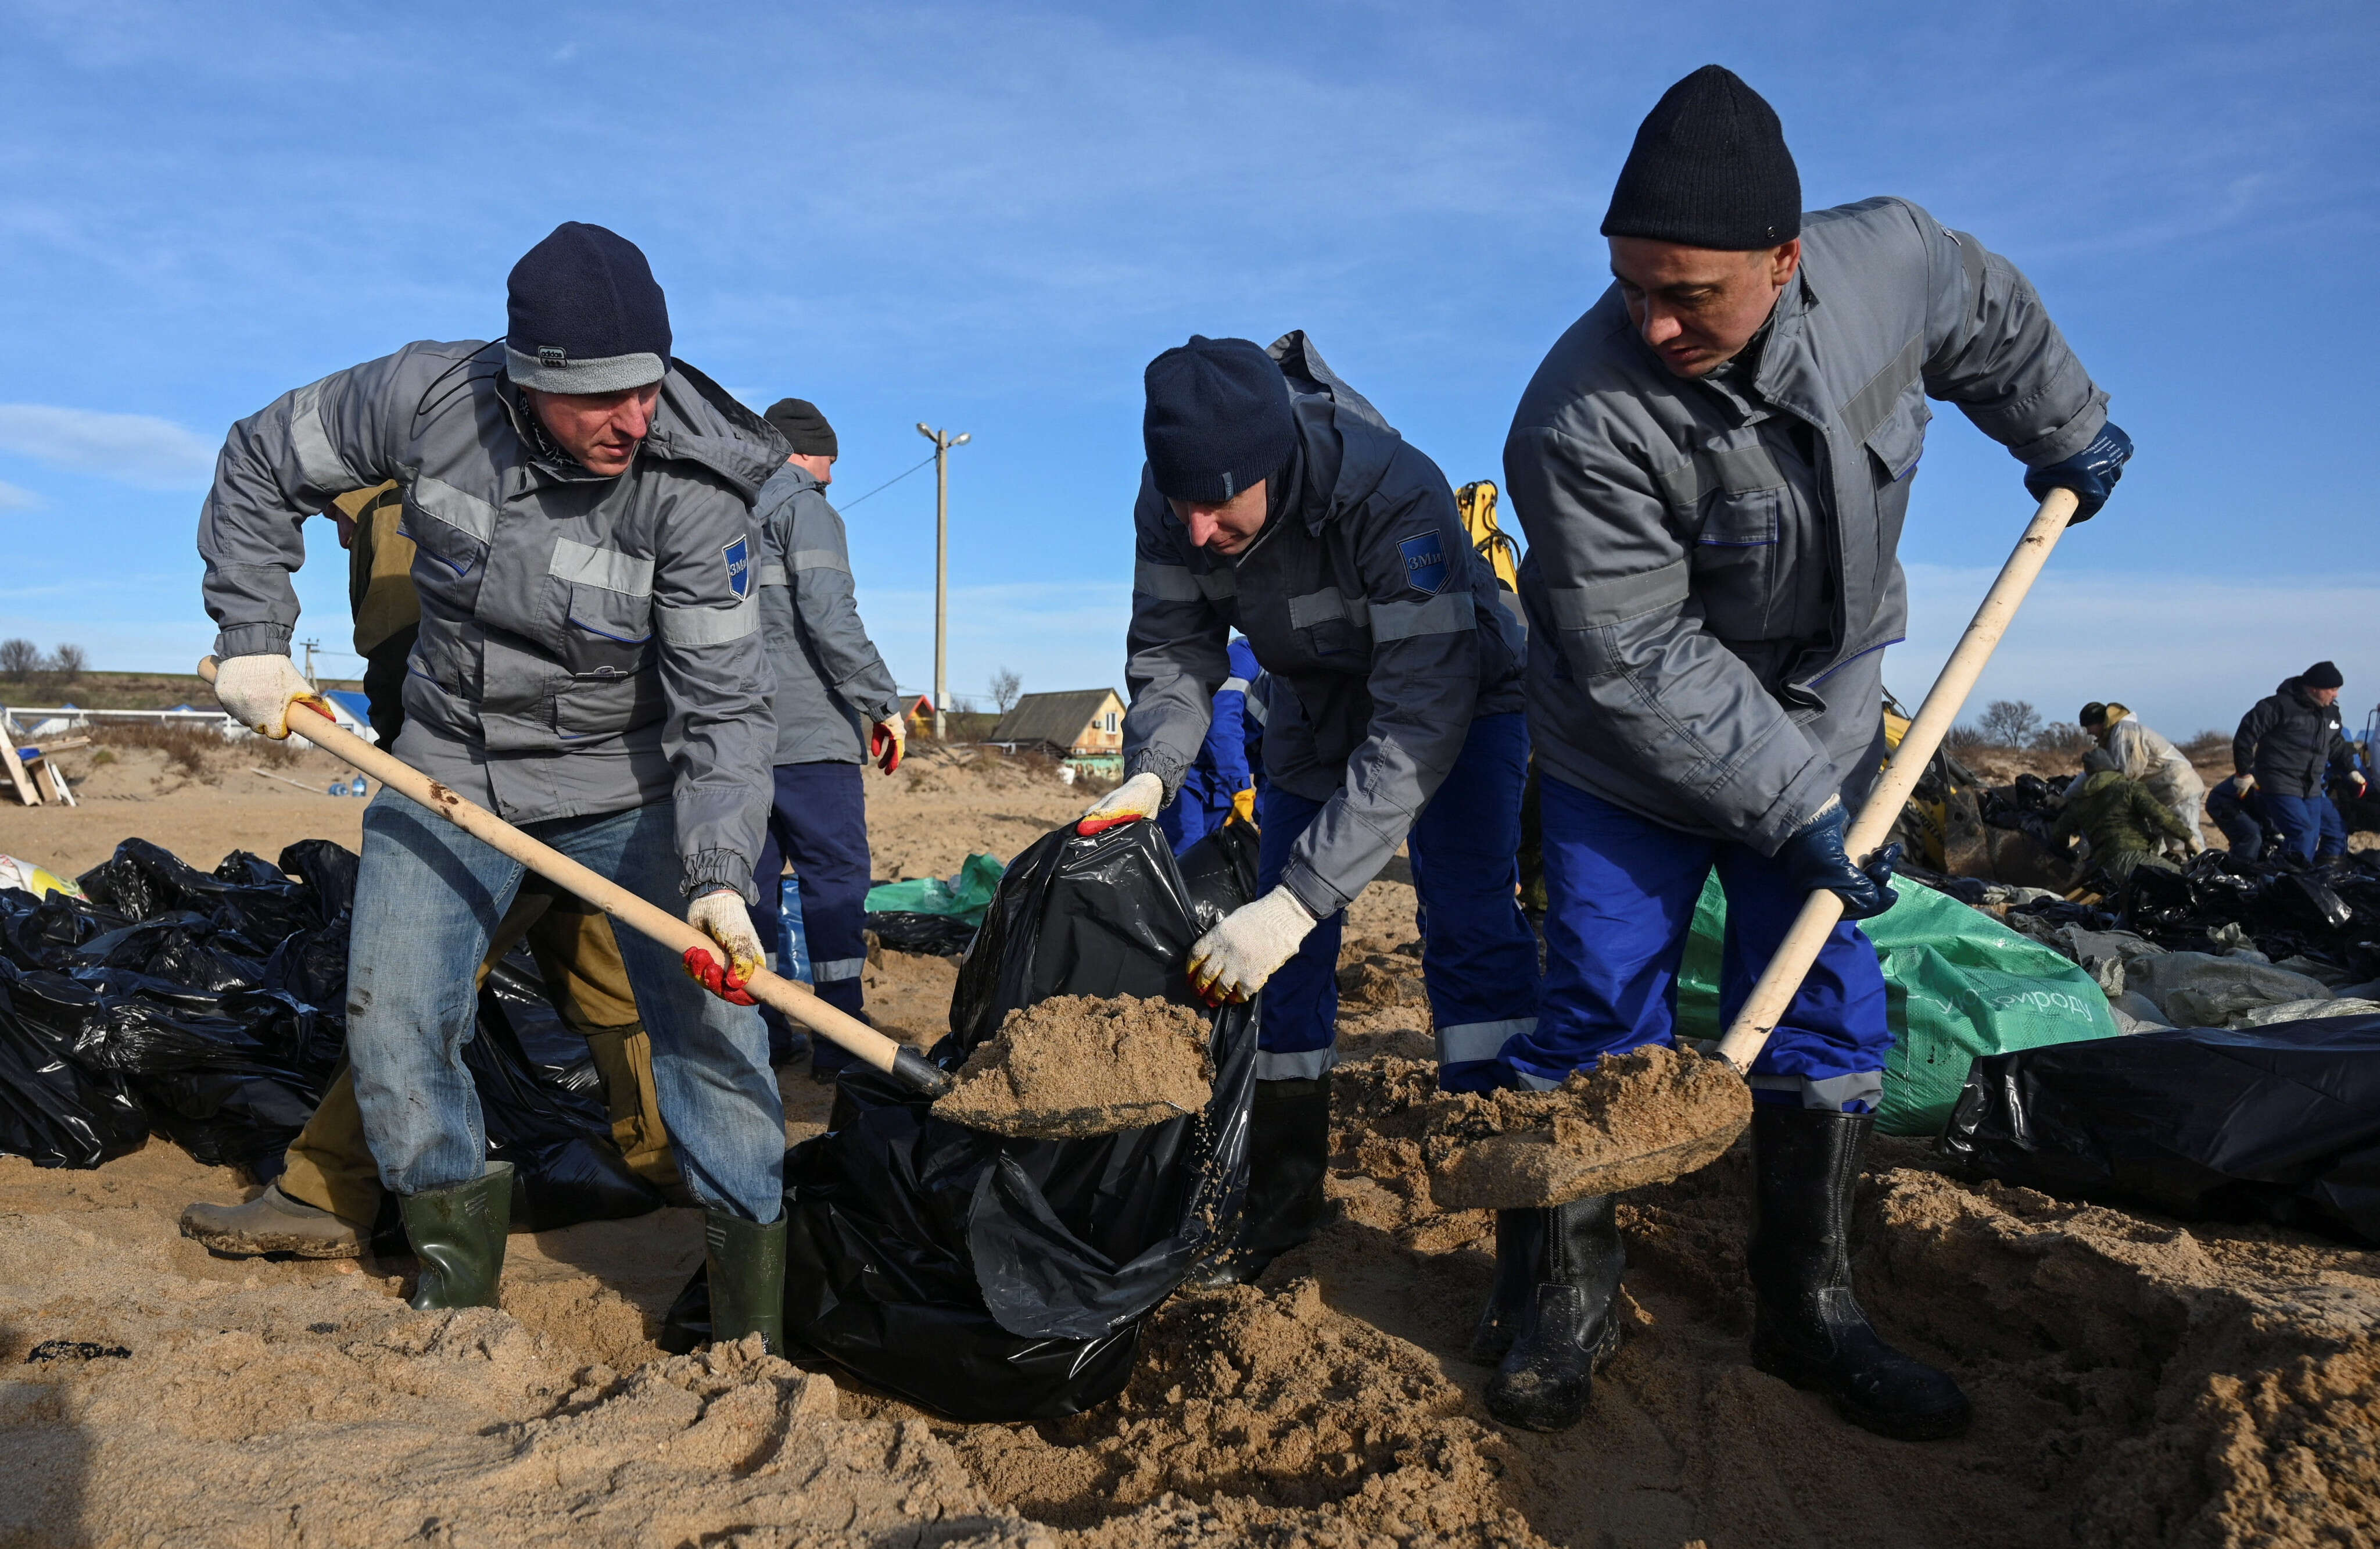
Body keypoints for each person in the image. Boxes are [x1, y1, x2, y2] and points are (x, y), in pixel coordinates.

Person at [1500, 66, 2131, 1438]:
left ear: (1786, 262)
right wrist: (1794, 803)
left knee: (1829, 1004)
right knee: (1601, 995)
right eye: (1630, 290)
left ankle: (1812, 1306)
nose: (1654, 322)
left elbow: (1989, 315)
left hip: (1826, 712)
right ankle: (1562, 1294)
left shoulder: (1889, 263)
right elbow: (1639, 657)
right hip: (1627, 744)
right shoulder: (1578, 418)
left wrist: (2067, 427)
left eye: (1692, 296)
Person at [197, 222, 789, 1350]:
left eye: (647, 389)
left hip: (636, 786)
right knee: (393, 1015)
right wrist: (255, 633)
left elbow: (723, 707)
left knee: (713, 1030)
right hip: (449, 765)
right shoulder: (426, 398)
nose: (633, 419)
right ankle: (454, 1294)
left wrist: (716, 874)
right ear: (526, 380)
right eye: (600, 399)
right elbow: (261, 457)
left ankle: (749, 1313)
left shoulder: (697, 487)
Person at [1086, 331, 1537, 1285]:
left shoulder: (1392, 491)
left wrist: (1299, 900)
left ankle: (1516, 1227)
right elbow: (1171, 651)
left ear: (1276, 466)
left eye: (1216, 506)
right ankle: (1283, 1195)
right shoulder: (1176, 504)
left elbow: (1421, 712)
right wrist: (1152, 773)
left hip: (1455, 702)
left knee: (1468, 930)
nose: (1196, 531)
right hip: (1309, 705)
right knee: (1281, 968)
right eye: (1181, 506)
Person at [182, 484, 679, 1258]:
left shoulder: (395, 508)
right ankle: (665, 1154)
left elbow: (403, 660)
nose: (338, 538)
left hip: (477, 784)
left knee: (416, 982)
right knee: (605, 970)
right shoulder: (469, 487)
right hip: (569, 765)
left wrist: (414, 769)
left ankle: (327, 1190)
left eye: (332, 521)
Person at [747, 397, 906, 1079]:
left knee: (750, 885)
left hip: (740, 738)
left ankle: (761, 1031)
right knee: (835, 884)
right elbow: (831, 617)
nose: (832, 478)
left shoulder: (724, 513)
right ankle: (839, 1035)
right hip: (811, 737)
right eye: (828, 461)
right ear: (802, 452)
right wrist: (882, 702)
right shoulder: (804, 508)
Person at [2233, 662, 2365, 863]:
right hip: (2279, 783)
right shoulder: (2277, 707)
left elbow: (2337, 744)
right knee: (2303, 835)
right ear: (2314, 688)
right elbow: (2245, 736)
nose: (2336, 695)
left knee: (2336, 832)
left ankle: (2323, 881)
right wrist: (2243, 773)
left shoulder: (2330, 714)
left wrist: (2351, 770)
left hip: (2312, 787)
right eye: (2332, 690)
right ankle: (2284, 885)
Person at [1157, 635, 1261, 854]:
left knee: (1208, 858)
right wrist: (1241, 787)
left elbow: (1274, 762)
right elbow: (1222, 722)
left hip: (1221, 784)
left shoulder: (1300, 687)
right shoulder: (1247, 655)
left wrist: (1266, 818)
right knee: (1186, 851)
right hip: (1185, 767)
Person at [2052, 749, 2195, 893]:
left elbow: (2058, 833)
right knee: (2192, 884)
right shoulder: (2129, 788)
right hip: (2134, 859)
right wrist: (2188, 838)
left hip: (2105, 870)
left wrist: (2070, 853)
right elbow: (2162, 816)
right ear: (2112, 768)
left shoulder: (2079, 803)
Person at [2078, 702, 2205, 854]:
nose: (2088, 733)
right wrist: (2068, 795)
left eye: (2088, 728)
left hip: (2177, 789)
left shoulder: (2125, 732)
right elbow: (2098, 771)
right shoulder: (2113, 738)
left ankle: (2206, 875)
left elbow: (2128, 773)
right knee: (2162, 848)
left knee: (2186, 845)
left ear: (2098, 723)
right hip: (2163, 795)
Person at [2205, 773, 2278, 862]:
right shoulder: (2275, 774)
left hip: (2243, 804)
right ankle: (2240, 871)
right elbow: (2264, 805)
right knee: (2252, 836)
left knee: (2261, 837)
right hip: (2223, 800)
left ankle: (2245, 866)